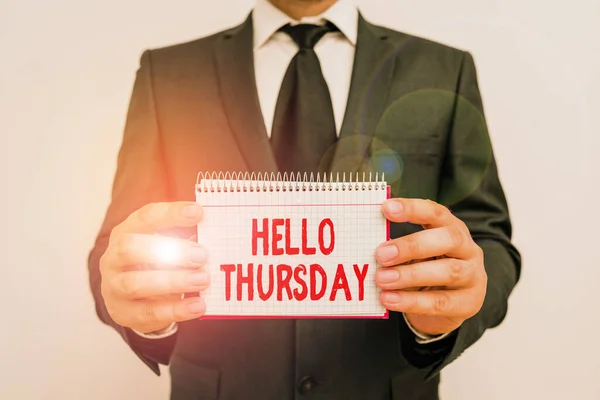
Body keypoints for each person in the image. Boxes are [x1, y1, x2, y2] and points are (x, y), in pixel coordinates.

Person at [88, 0, 521, 398]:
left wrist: (454, 303)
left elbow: (487, 236)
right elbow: (119, 246)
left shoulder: (443, 69)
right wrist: (144, 310)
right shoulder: (168, 72)